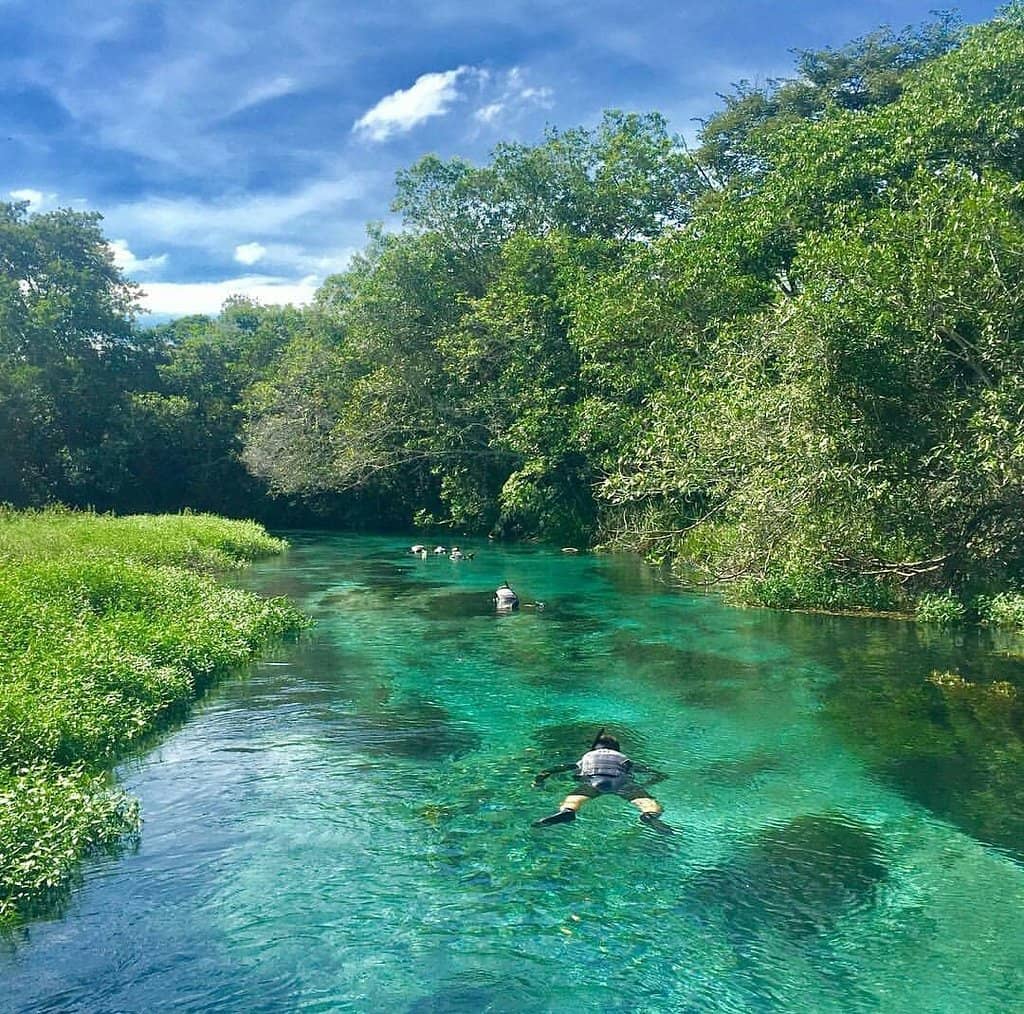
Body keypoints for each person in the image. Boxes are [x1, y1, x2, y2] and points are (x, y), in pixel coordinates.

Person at [532, 729, 673, 833]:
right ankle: (649, 815)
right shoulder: (621, 756)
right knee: (647, 803)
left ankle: (568, 811)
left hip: (594, 781)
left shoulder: (588, 756)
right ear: (616, 748)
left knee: (573, 800)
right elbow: (658, 775)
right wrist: (644, 785)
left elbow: (555, 769)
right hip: (621, 781)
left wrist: (539, 780)